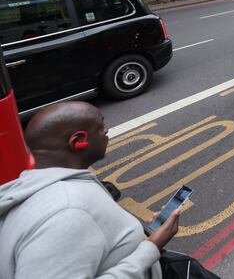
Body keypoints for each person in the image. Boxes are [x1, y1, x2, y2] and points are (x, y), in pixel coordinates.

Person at [0, 102, 181, 279]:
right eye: (101, 126)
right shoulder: (69, 212)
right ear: (78, 141)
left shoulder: (35, 187)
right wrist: (151, 248)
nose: (107, 131)